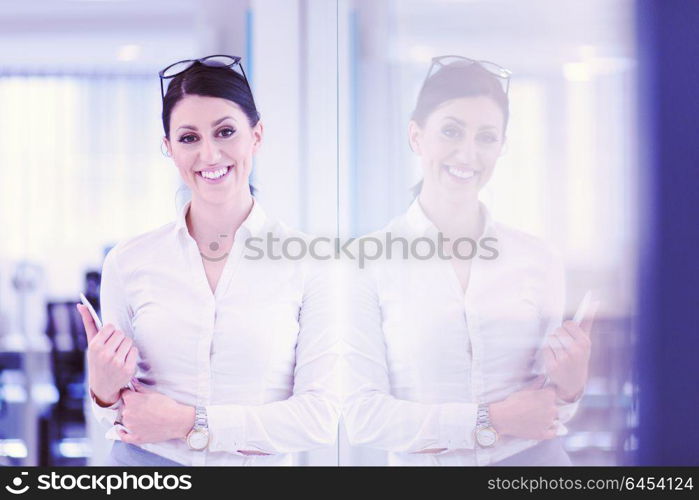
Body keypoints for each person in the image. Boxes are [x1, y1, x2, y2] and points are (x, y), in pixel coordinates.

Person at [77, 55, 339, 466]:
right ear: (168, 148)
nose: (210, 154)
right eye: (188, 138)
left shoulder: (311, 264)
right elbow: (118, 414)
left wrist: (188, 423)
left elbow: (318, 419)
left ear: (257, 135)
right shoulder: (129, 262)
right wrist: (103, 390)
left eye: (225, 131)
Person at [342, 56, 597, 466]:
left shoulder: (538, 259)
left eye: (486, 137)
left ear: (501, 147)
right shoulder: (365, 263)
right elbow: (363, 417)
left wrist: (571, 386)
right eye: (451, 131)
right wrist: (491, 420)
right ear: (416, 136)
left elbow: (549, 411)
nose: (468, 153)